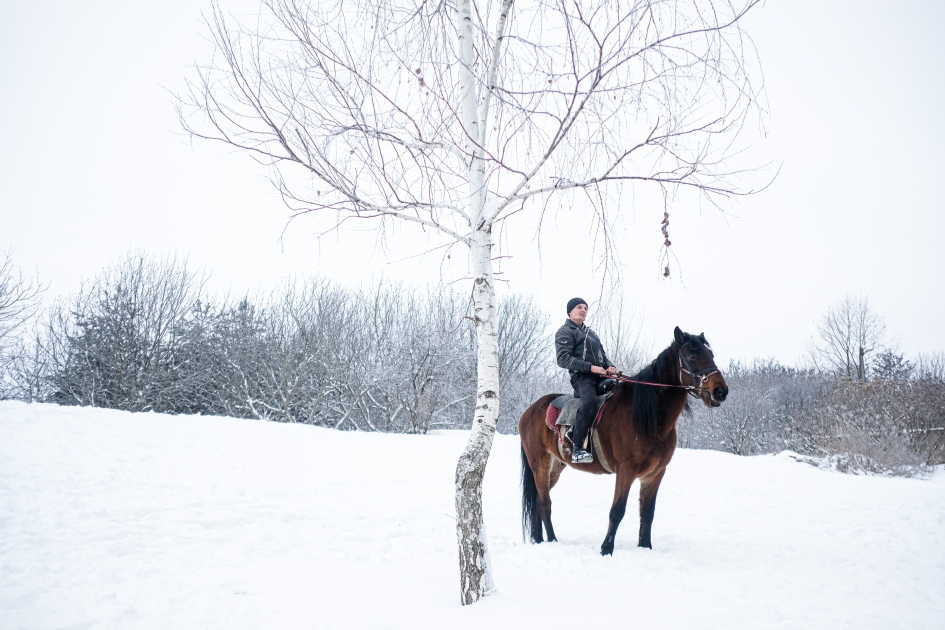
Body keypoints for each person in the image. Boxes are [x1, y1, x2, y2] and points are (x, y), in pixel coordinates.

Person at [555, 298, 618, 464]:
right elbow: (562, 359)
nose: (583, 310)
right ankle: (577, 448)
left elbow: (603, 356)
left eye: (585, 308)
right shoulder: (565, 331)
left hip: (601, 375)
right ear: (569, 311)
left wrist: (610, 367)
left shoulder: (591, 333)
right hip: (582, 377)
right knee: (589, 402)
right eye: (579, 307)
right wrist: (590, 368)